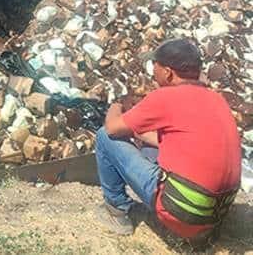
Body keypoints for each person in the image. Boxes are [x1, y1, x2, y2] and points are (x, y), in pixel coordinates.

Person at [94, 39, 241, 246]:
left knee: (103, 137)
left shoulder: (165, 97)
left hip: (183, 214)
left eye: (155, 67)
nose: (153, 72)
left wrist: (117, 104)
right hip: (215, 214)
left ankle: (116, 211)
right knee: (149, 144)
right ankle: (196, 229)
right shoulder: (216, 99)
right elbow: (176, 141)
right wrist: (140, 134)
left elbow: (112, 128)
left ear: (168, 72)